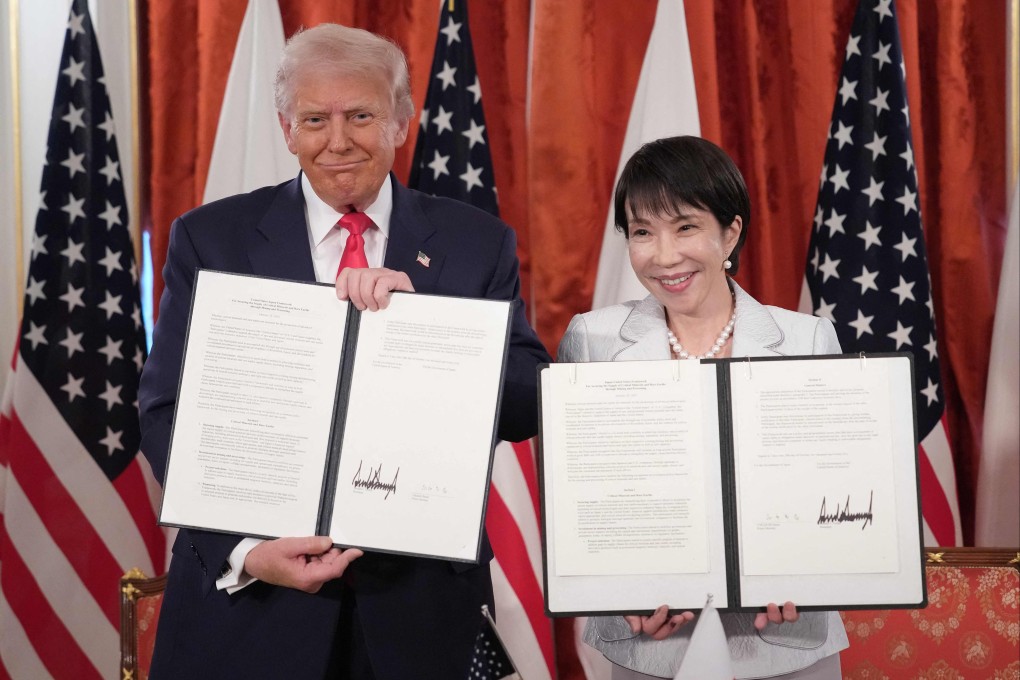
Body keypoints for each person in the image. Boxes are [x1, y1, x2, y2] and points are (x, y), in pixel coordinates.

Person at [138, 23, 550, 680]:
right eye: (314, 119)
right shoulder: (211, 240)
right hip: (251, 613)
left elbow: (528, 399)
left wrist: (425, 331)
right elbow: (165, 411)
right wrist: (246, 550)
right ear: (285, 128)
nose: (337, 141)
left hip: (415, 615)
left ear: (400, 122)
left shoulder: (476, 242)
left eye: (360, 115)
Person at [558, 136, 849, 679]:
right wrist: (620, 591)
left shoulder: (806, 339)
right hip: (652, 645)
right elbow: (581, 502)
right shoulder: (592, 340)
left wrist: (810, 576)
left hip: (782, 640)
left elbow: (828, 492)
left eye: (686, 226)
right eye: (643, 232)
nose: (664, 256)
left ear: (730, 232)